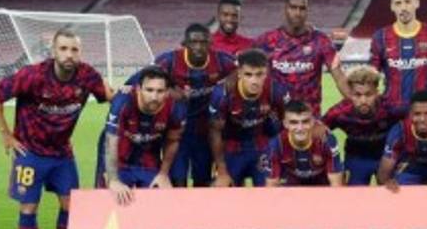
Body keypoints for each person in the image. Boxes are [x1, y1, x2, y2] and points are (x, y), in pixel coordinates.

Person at [0, 28, 111, 229]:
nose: (69, 55)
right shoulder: (33, 75)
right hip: (29, 153)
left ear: (80, 53)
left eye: (74, 49)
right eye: (63, 49)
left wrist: (137, 90)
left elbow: (109, 95)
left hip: (62, 154)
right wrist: (6, 134)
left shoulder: (88, 76)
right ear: (54, 51)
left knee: (70, 206)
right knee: (29, 208)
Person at [147, 23, 234, 186]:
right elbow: (148, 77)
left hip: (205, 130)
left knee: (202, 181)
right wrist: (171, 91)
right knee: (178, 181)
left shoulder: (221, 60)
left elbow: (239, 71)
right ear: (184, 43)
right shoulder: (170, 60)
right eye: (194, 42)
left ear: (210, 43)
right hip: (177, 131)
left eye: (203, 42)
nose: (198, 47)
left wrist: (223, 88)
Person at [254, 0, 346, 115]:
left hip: (309, 119)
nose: (297, 13)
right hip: (276, 118)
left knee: (328, 136)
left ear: (308, 11)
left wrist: (355, 101)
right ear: (285, 9)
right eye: (293, 7)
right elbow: (251, 76)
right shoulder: (266, 41)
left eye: (302, 8)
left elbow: (340, 77)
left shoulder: (321, 40)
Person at [102, 67, 185, 205]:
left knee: (159, 203)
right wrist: (113, 179)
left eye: (160, 91)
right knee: (109, 202)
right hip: (118, 156)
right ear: (139, 89)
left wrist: (163, 174)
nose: (154, 96)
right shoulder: (122, 102)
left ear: (167, 92)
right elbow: (111, 140)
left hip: (148, 158)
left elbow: (173, 141)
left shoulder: (175, 108)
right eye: (149, 90)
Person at [208, 49, 288, 188]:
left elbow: (286, 124)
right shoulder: (222, 94)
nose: (254, 81)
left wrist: (282, 161)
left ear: (266, 73)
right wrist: (221, 170)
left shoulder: (276, 90)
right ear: (239, 73)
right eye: (248, 75)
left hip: (262, 145)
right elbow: (215, 132)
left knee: (272, 190)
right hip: (232, 147)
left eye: (259, 75)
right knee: (222, 190)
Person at [322, 66, 409, 187]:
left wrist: (407, 157)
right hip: (356, 159)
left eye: (368, 95)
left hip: (385, 158)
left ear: (377, 93)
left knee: (393, 192)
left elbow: (414, 120)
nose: (363, 100)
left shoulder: (390, 107)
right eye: (357, 95)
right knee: (355, 197)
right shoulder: (339, 112)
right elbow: (319, 130)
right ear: (350, 94)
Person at [368, 0, 427, 111]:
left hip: (423, 115)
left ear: (417, 3)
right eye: (398, 3)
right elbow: (371, 76)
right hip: (390, 113)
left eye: (407, 2)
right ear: (392, 6)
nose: (403, 8)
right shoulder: (380, 37)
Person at [267, 100, 343, 187]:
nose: (300, 128)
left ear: (312, 122)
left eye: (305, 121)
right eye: (294, 122)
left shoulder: (327, 141)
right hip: (292, 185)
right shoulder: (277, 144)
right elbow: (271, 186)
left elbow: (336, 185)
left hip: (321, 185)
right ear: (285, 124)